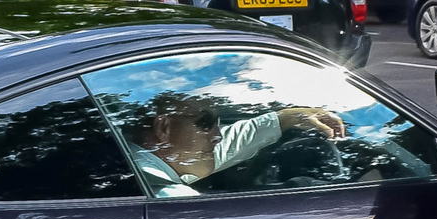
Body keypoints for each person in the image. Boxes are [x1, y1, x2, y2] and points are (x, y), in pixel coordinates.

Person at [128, 93, 345, 195]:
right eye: (206, 123)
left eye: (219, 125)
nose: (217, 136)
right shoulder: (168, 197)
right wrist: (301, 186)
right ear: (164, 128)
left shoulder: (134, 161)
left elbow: (222, 146)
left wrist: (283, 119)